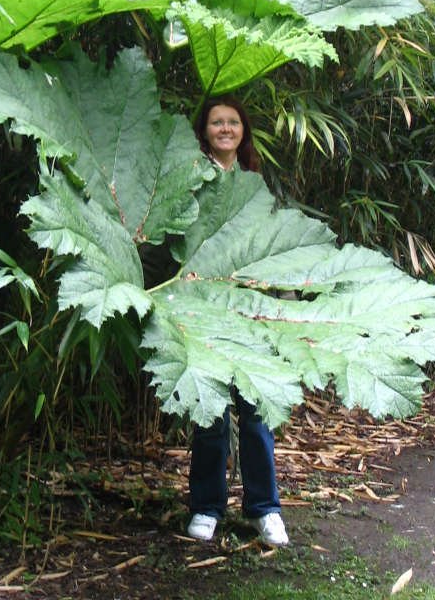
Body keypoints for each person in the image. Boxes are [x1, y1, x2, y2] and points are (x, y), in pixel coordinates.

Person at [187, 96, 289, 547]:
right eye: (216, 122)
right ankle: (206, 507)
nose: (225, 129)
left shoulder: (255, 184)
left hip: (249, 311)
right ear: (205, 130)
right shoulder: (191, 177)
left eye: (232, 122)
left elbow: (272, 244)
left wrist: (282, 305)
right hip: (203, 308)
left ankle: (264, 509)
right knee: (209, 414)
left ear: (243, 130)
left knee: (255, 414)